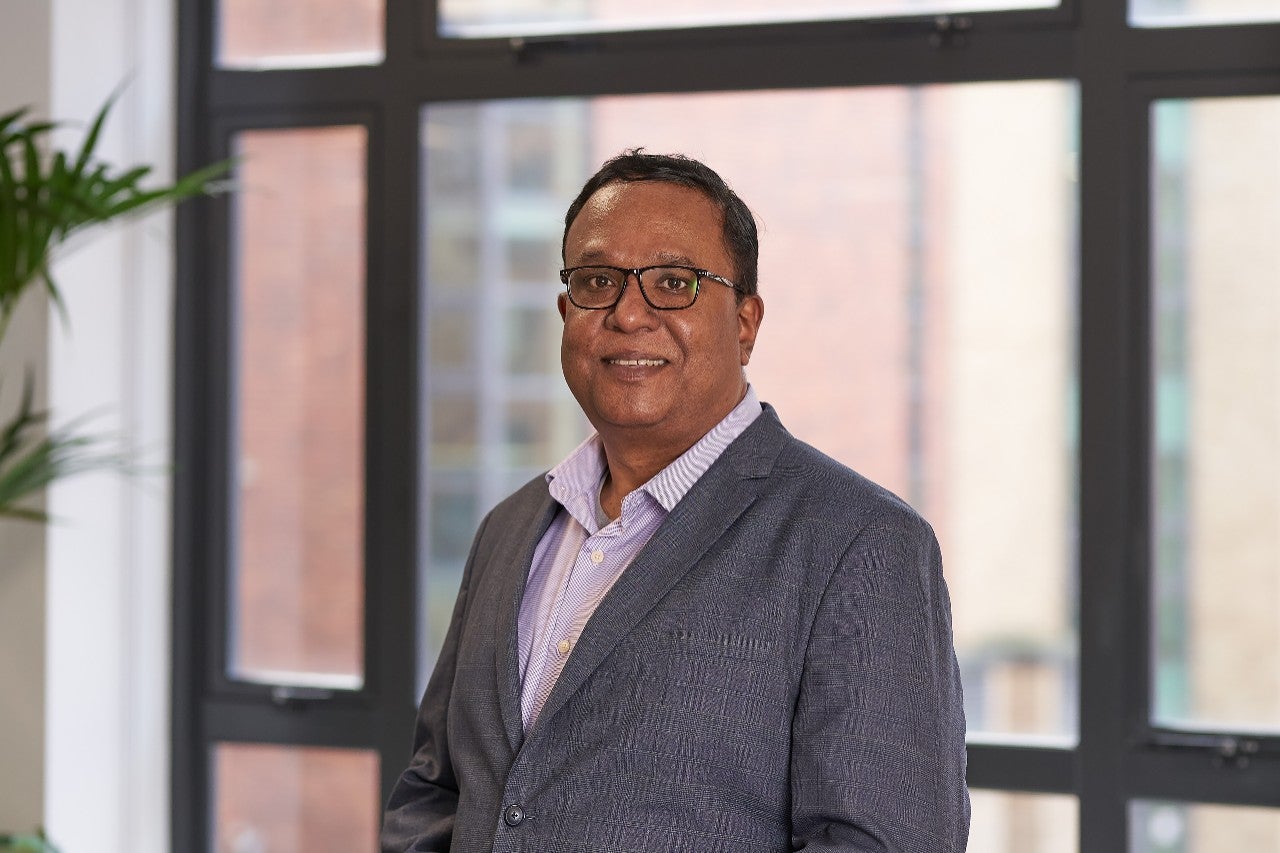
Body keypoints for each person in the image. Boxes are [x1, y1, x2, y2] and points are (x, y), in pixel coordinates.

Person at [381, 151, 970, 852]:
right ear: (567, 312)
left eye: (673, 283)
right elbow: (435, 788)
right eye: (598, 281)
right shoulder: (509, 528)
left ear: (746, 323)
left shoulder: (861, 543)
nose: (629, 313)